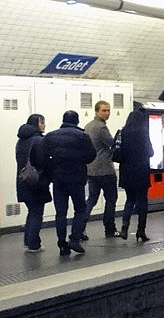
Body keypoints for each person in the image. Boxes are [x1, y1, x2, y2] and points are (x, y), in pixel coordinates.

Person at [42, 110, 96, 256]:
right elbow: (91, 156)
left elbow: (44, 157)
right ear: (77, 121)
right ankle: (74, 239)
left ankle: (61, 243)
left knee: (60, 213)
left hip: (58, 179)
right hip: (76, 179)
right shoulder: (83, 136)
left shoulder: (50, 136)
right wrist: (78, 160)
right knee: (80, 209)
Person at [83, 100, 120, 239]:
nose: (107, 113)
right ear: (96, 111)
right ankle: (110, 229)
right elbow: (112, 144)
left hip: (91, 169)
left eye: (108, 110)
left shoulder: (87, 126)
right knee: (111, 199)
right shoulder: (101, 128)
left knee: (91, 199)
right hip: (105, 170)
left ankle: (80, 228)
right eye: (104, 110)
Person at [16, 114, 51, 252]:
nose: (44, 125)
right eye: (42, 122)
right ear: (36, 124)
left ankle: (29, 241)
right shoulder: (38, 140)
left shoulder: (20, 141)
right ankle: (33, 245)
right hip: (36, 181)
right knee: (37, 213)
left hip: (23, 180)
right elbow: (42, 161)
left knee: (32, 211)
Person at [118, 110, 155, 241]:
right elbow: (150, 152)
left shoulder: (123, 132)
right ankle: (141, 230)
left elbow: (119, 154)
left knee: (130, 200)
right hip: (141, 170)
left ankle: (124, 227)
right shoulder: (143, 133)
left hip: (127, 171)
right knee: (142, 202)